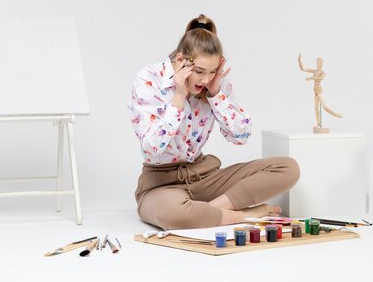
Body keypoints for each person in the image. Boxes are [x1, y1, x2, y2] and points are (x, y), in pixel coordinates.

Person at [128, 14, 300, 230]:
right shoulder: (148, 79)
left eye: (212, 72)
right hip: (160, 185)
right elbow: (152, 149)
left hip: (205, 176)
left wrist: (216, 94)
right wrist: (179, 97)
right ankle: (245, 215)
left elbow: (241, 136)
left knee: (287, 168)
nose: (206, 80)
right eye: (199, 72)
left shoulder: (213, 84)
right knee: (176, 214)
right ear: (181, 60)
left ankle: (207, 212)